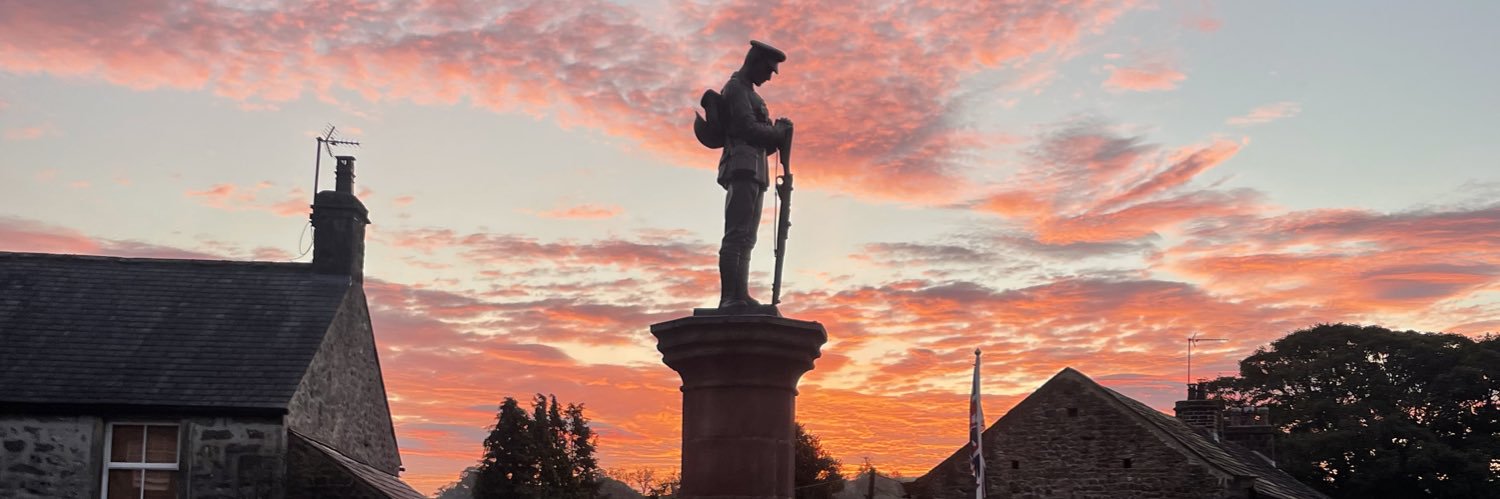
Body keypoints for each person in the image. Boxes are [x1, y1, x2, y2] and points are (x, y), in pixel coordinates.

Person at [714, 40, 792, 309]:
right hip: (741, 166)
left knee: (748, 236)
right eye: (769, 70)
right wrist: (777, 131)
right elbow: (747, 129)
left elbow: (763, 143)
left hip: (756, 168)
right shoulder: (736, 89)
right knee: (737, 233)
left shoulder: (752, 94)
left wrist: (779, 135)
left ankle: (740, 294)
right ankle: (729, 298)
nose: (770, 77)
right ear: (755, 62)